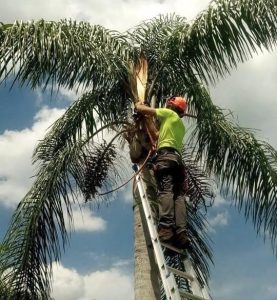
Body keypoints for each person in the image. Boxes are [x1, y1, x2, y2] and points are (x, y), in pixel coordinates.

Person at [135, 96, 188, 248]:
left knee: (165, 191)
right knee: (178, 197)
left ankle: (166, 229)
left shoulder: (169, 114)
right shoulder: (179, 125)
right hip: (177, 161)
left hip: (166, 158)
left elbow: (143, 110)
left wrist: (139, 104)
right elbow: (157, 135)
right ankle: (181, 233)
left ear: (170, 106)